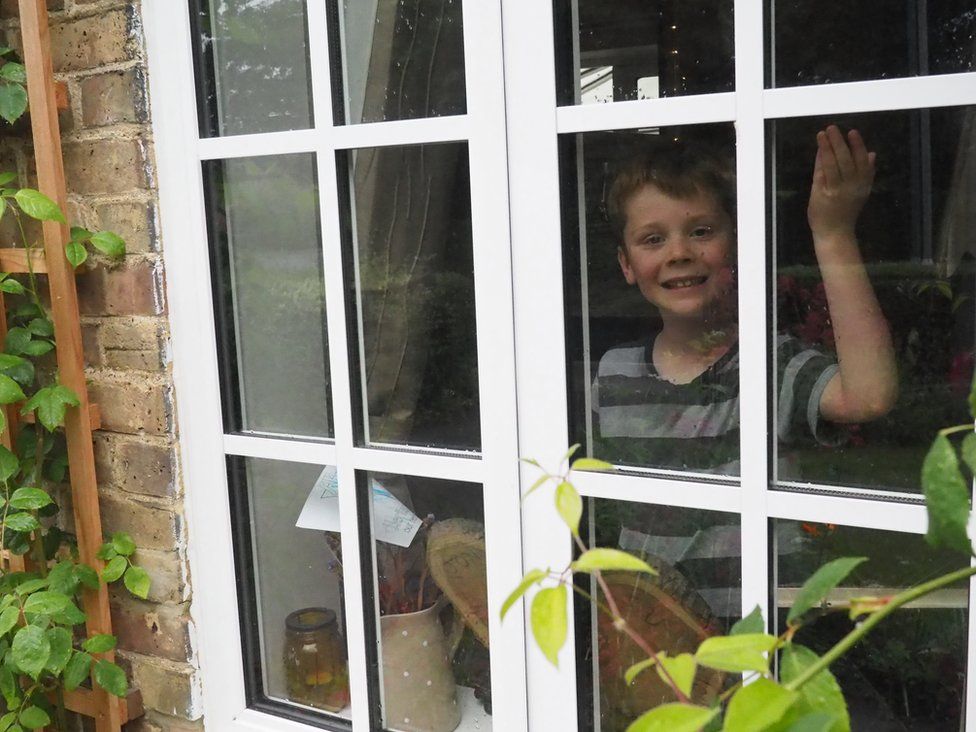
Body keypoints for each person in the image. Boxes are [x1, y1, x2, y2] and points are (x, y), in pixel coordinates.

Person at [592, 126, 898, 474]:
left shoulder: (773, 366)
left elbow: (869, 397)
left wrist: (834, 234)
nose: (679, 253)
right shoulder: (614, 373)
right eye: (652, 239)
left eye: (701, 231)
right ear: (626, 264)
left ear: (735, 242)